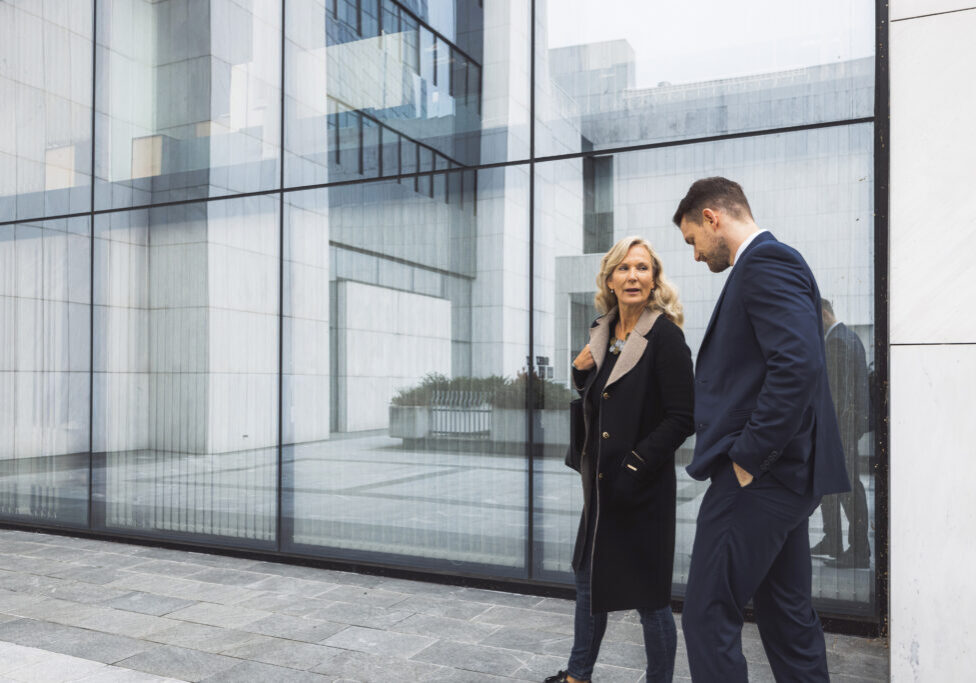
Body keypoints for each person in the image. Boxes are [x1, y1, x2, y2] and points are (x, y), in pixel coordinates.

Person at [672, 178, 850, 682]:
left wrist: (748, 457)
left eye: (691, 241)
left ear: (711, 217)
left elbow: (797, 365)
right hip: (788, 478)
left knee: (707, 614)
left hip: (762, 478)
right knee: (786, 616)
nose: (694, 255)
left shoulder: (766, 262)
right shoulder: (767, 264)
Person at [545, 236, 694, 683]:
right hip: (600, 489)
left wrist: (635, 464)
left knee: (650, 601)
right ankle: (577, 676)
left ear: (654, 280)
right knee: (588, 584)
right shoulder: (603, 331)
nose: (633, 276)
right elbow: (599, 398)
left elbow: (683, 417)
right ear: (609, 279)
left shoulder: (665, 336)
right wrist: (577, 371)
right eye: (624, 268)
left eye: (642, 268)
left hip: (640, 487)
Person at [813, 299, 871, 568]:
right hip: (846, 427)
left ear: (824, 314)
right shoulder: (850, 337)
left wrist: (826, 432)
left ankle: (859, 551)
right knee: (837, 485)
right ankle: (833, 540)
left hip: (839, 429)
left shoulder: (836, 341)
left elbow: (838, 395)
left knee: (848, 489)